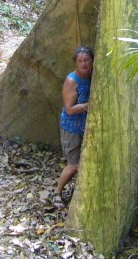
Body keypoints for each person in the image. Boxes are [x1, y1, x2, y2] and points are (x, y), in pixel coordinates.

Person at [53, 46, 94, 207]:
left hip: (86, 126)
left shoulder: (93, 75)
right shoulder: (71, 80)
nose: (83, 64)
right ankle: (57, 192)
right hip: (71, 128)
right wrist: (90, 105)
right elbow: (69, 109)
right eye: (80, 61)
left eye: (86, 60)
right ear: (76, 63)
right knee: (74, 164)